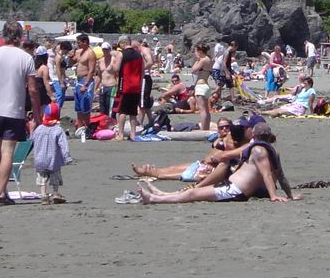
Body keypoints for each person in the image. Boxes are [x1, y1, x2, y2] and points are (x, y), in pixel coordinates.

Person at [137, 123, 292, 204]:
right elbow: (281, 176)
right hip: (231, 187)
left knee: (193, 194)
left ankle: (154, 199)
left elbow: (267, 175)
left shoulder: (259, 151)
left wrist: (273, 196)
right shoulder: (271, 151)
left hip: (235, 191)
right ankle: (163, 194)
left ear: (254, 135)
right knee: (195, 192)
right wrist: (290, 195)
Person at [0, 20, 41, 205]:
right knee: (7, 152)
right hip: (13, 109)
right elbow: (33, 89)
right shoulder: (25, 58)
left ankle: (1, 189)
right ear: (20, 37)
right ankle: (1, 192)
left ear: (4, 35)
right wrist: (37, 113)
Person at [32, 104, 71, 203]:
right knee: (55, 176)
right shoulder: (58, 130)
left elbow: (32, 140)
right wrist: (67, 157)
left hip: (40, 158)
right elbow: (63, 145)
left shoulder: (39, 129)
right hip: (54, 159)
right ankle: (55, 192)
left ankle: (43, 195)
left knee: (42, 177)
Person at [114, 36, 151, 140]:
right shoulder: (139, 54)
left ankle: (120, 134)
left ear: (123, 43)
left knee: (122, 111)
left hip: (125, 85)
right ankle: (133, 134)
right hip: (136, 86)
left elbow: (116, 68)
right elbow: (142, 70)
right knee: (133, 112)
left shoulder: (121, 54)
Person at [73, 33, 97, 130]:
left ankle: (87, 128)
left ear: (85, 42)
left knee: (85, 106)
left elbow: (91, 70)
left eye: (79, 42)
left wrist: (86, 85)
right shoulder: (80, 52)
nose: (77, 44)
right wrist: (71, 56)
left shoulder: (90, 53)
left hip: (86, 80)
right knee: (78, 107)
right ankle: (80, 127)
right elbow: (72, 62)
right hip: (78, 80)